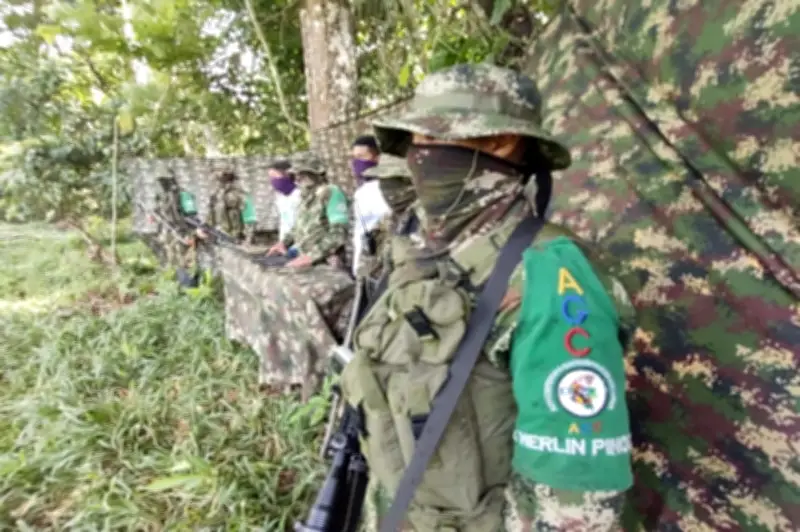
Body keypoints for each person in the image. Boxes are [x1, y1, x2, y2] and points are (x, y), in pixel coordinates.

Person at [340, 63, 637, 531]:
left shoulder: (547, 275)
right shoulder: (417, 250)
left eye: (438, 137)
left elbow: (572, 508)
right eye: (418, 138)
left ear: (502, 143)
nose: (421, 154)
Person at [267, 151, 349, 268]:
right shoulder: (306, 196)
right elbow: (299, 227)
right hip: (305, 260)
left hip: (326, 262)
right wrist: (284, 243)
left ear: (314, 172)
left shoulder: (330, 192)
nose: (298, 178)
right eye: (295, 174)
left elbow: (338, 234)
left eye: (302, 174)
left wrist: (311, 256)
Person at [356, 153, 417, 279]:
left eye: (394, 182)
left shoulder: (427, 220)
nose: (387, 188)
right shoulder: (384, 224)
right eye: (383, 181)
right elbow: (365, 268)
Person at [350, 135, 392, 277]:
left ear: (377, 158)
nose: (356, 162)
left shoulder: (389, 189)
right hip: (364, 266)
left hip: (382, 265)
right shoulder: (361, 192)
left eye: (361, 156)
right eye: (354, 157)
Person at [198, 169, 256, 244]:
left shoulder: (240, 195)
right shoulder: (217, 195)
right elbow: (212, 213)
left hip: (234, 237)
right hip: (220, 235)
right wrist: (204, 228)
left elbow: (250, 218)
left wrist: (247, 238)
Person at [268, 159, 302, 246]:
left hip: (299, 239)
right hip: (286, 239)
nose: (274, 180)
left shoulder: (299, 193)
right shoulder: (280, 195)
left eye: (276, 175)